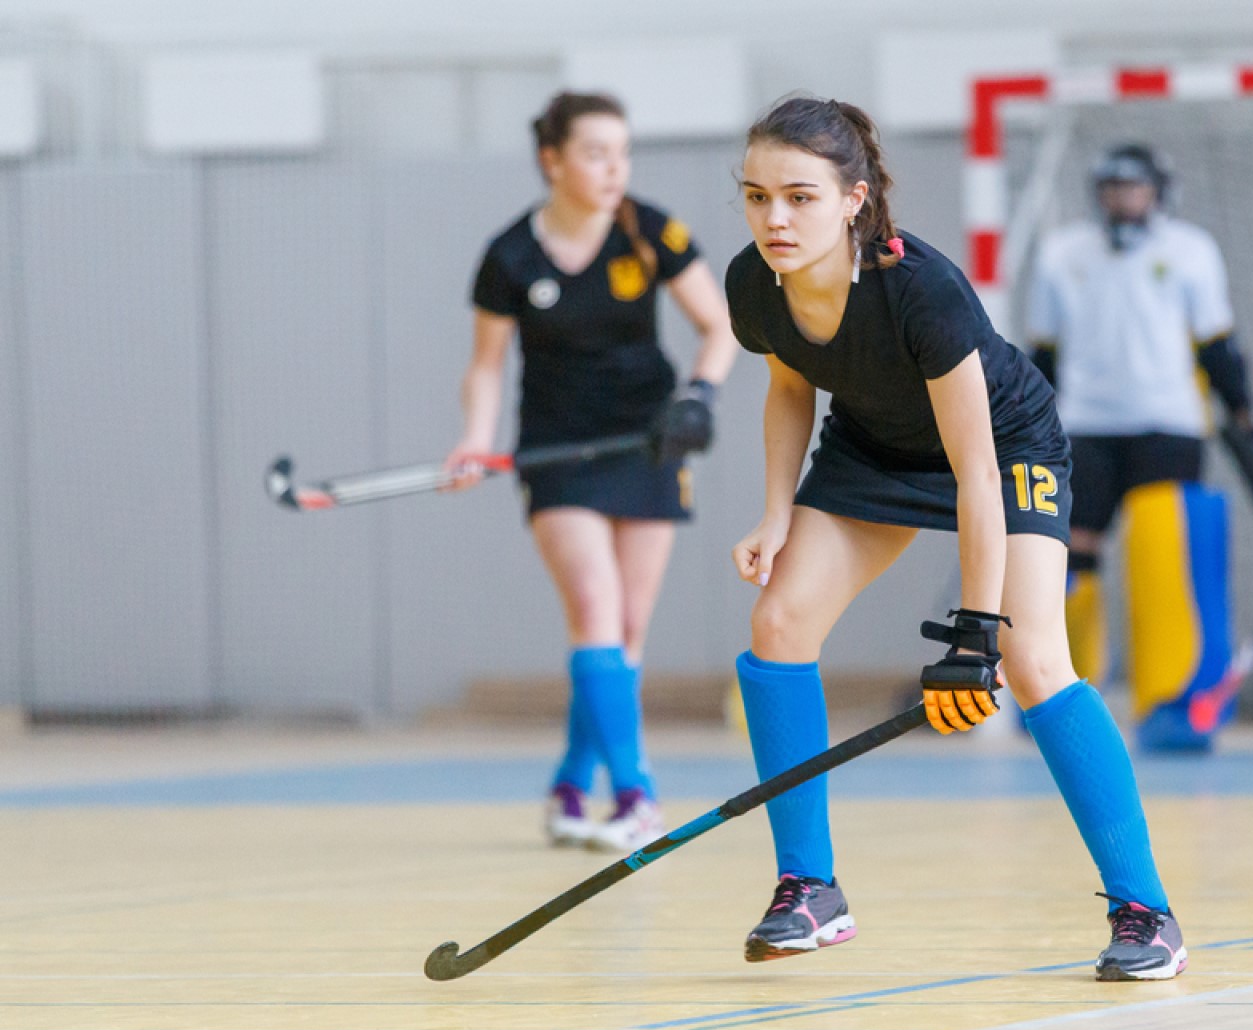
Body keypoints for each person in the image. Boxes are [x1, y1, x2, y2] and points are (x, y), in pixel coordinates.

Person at [725, 96, 1184, 981]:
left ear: (854, 198)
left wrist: (978, 630)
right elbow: (790, 387)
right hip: (875, 448)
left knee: (1034, 658)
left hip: (1003, 449)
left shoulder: (919, 287)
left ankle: (1146, 910)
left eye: (799, 197)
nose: (774, 218)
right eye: (755, 196)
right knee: (779, 623)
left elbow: (977, 471)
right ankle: (808, 887)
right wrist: (777, 512)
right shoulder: (757, 280)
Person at [446, 91, 737, 849]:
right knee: (596, 607)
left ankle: (572, 785)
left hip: (647, 446)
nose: (615, 168)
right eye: (596, 152)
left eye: (623, 152)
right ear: (553, 160)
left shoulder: (649, 230)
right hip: (559, 453)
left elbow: (719, 325)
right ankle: (637, 797)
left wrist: (698, 396)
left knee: (626, 631)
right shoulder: (510, 255)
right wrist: (476, 438)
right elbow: (484, 367)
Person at [1027, 144, 1253, 751]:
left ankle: (1170, 697)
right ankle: (1064, 695)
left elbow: (1216, 342)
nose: (1121, 198)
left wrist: (1242, 406)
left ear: (1159, 192)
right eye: (1111, 187)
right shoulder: (1063, 254)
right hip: (1083, 424)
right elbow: (1044, 356)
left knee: (1162, 550)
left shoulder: (1191, 251)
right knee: (1072, 553)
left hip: (1169, 424)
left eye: (1133, 187)